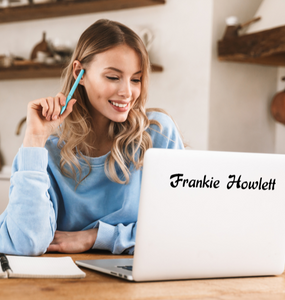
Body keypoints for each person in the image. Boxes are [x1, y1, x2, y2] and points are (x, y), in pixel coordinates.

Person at [0, 19, 184, 256]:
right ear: (80, 73)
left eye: (136, 79)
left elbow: (179, 230)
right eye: (113, 77)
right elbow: (25, 243)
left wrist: (95, 237)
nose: (128, 92)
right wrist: (34, 139)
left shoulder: (157, 135)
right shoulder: (47, 152)